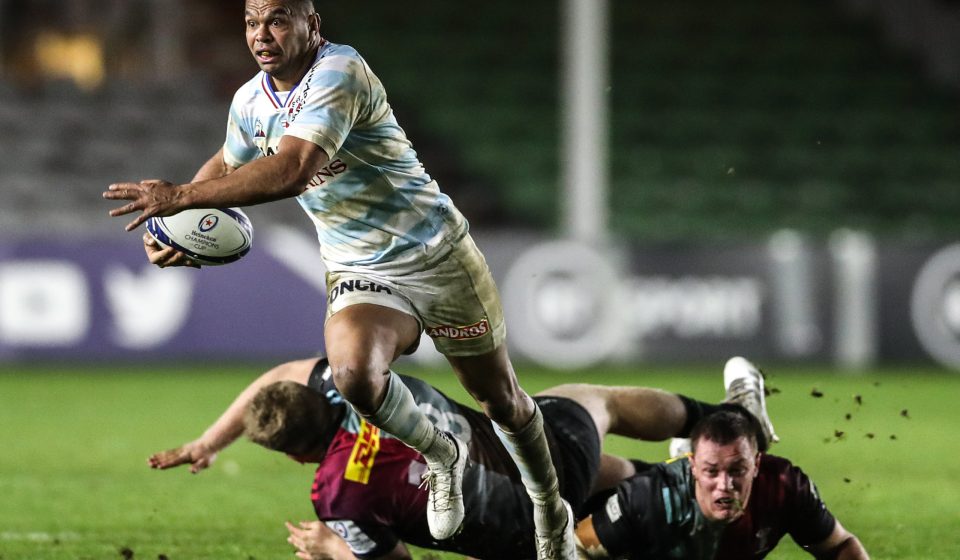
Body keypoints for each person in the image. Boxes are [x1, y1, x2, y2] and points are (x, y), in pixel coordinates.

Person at [104, 1, 573, 556]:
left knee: (502, 402)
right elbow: (228, 164)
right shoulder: (249, 101)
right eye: (252, 22)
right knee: (353, 374)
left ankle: (550, 509)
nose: (262, 34)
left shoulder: (340, 72)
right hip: (359, 267)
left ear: (312, 26)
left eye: (277, 19)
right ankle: (440, 452)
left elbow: (292, 168)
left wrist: (179, 196)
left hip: (436, 254)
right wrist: (179, 229)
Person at [149, 355, 777, 559]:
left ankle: (702, 457)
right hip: (539, 458)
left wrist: (334, 547)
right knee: (589, 403)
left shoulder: (337, 498)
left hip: (521, 539)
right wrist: (210, 439)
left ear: (292, 457)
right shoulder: (368, 387)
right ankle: (715, 427)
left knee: (579, 456)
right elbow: (282, 373)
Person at [574, 413, 870, 560]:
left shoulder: (784, 487)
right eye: (711, 471)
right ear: (693, 469)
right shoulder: (647, 499)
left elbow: (841, 546)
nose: (725, 485)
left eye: (737, 470)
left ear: (756, 464)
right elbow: (575, 550)